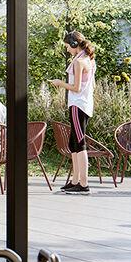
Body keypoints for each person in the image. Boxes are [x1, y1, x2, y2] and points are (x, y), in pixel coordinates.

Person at [50, 31, 96, 194]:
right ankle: (75, 180)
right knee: (74, 143)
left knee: (79, 143)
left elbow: (76, 88)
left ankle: (83, 184)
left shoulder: (79, 62)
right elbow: (90, 86)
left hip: (78, 106)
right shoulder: (88, 59)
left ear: (74, 44)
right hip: (84, 105)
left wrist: (60, 83)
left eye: (68, 46)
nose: (67, 49)